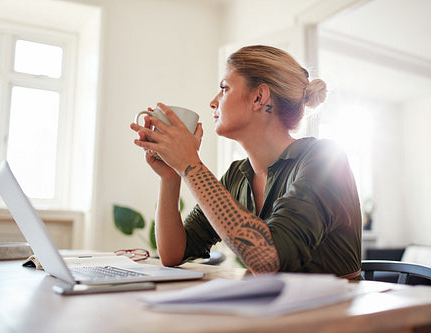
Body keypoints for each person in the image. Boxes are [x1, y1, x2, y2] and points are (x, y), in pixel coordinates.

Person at [130, 45, 362, 279]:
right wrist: (171, 175)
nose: (213, 102)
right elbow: (173, 254)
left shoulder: (325, 159)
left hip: (336, 310)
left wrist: (190, 165)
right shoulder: (237, 175)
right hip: (275, 308)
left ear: (259, 97)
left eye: (224, 88)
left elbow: (268, 258)